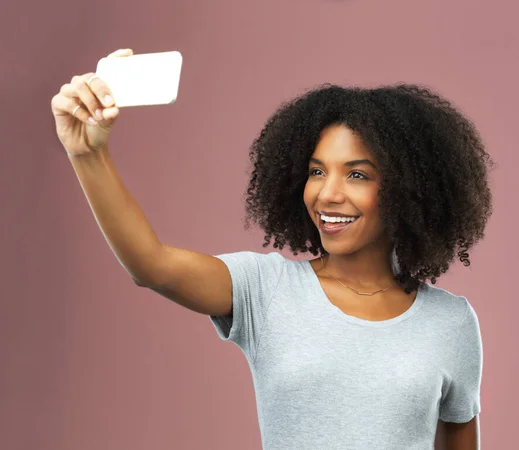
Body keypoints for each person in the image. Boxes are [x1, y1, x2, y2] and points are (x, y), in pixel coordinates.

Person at [52, 48, 493, 450]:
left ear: (409, 191)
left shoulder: (450, 323)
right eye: (316, 172)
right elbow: (152, 266)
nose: (328, 194)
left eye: (357, 175)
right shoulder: (266, 289)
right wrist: (87, 155)